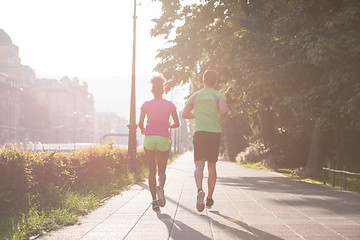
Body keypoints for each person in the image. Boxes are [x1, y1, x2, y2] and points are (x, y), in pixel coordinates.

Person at [182, 70, 228, 212]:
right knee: (212, 166)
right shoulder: (219, 95)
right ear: (215, 81)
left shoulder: (195, 96)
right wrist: (220, 118)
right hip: (214, 133)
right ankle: (209, 197)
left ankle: (199, 190)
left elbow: (184, 113)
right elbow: (224, 110)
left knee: (199, 165)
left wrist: (197, 115)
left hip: (200, 132)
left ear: (203, 81)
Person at [138, 74, 180, 211]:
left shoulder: (146, 105)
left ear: (152, 90)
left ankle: (154, 200)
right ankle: (160, 187)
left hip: (149, 138)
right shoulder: (169, 105)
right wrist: (168, 126)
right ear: (163, 90)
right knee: (161, 170)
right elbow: (177, 124)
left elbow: (140, 123)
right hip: (163, 138)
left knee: (151, 170)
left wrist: (144, 130)